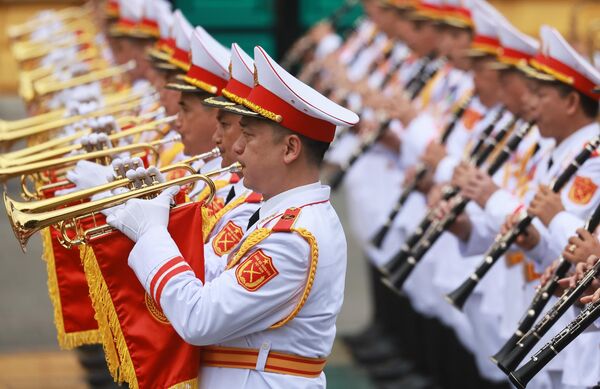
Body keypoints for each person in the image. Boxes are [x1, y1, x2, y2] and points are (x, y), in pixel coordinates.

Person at [105, 45, 359, 388]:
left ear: (289, 149)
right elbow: (207, 270)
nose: (237, 148)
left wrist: (152, 234)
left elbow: (200, 318)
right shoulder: (274, 216)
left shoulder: (293, 238)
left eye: (249, 136)